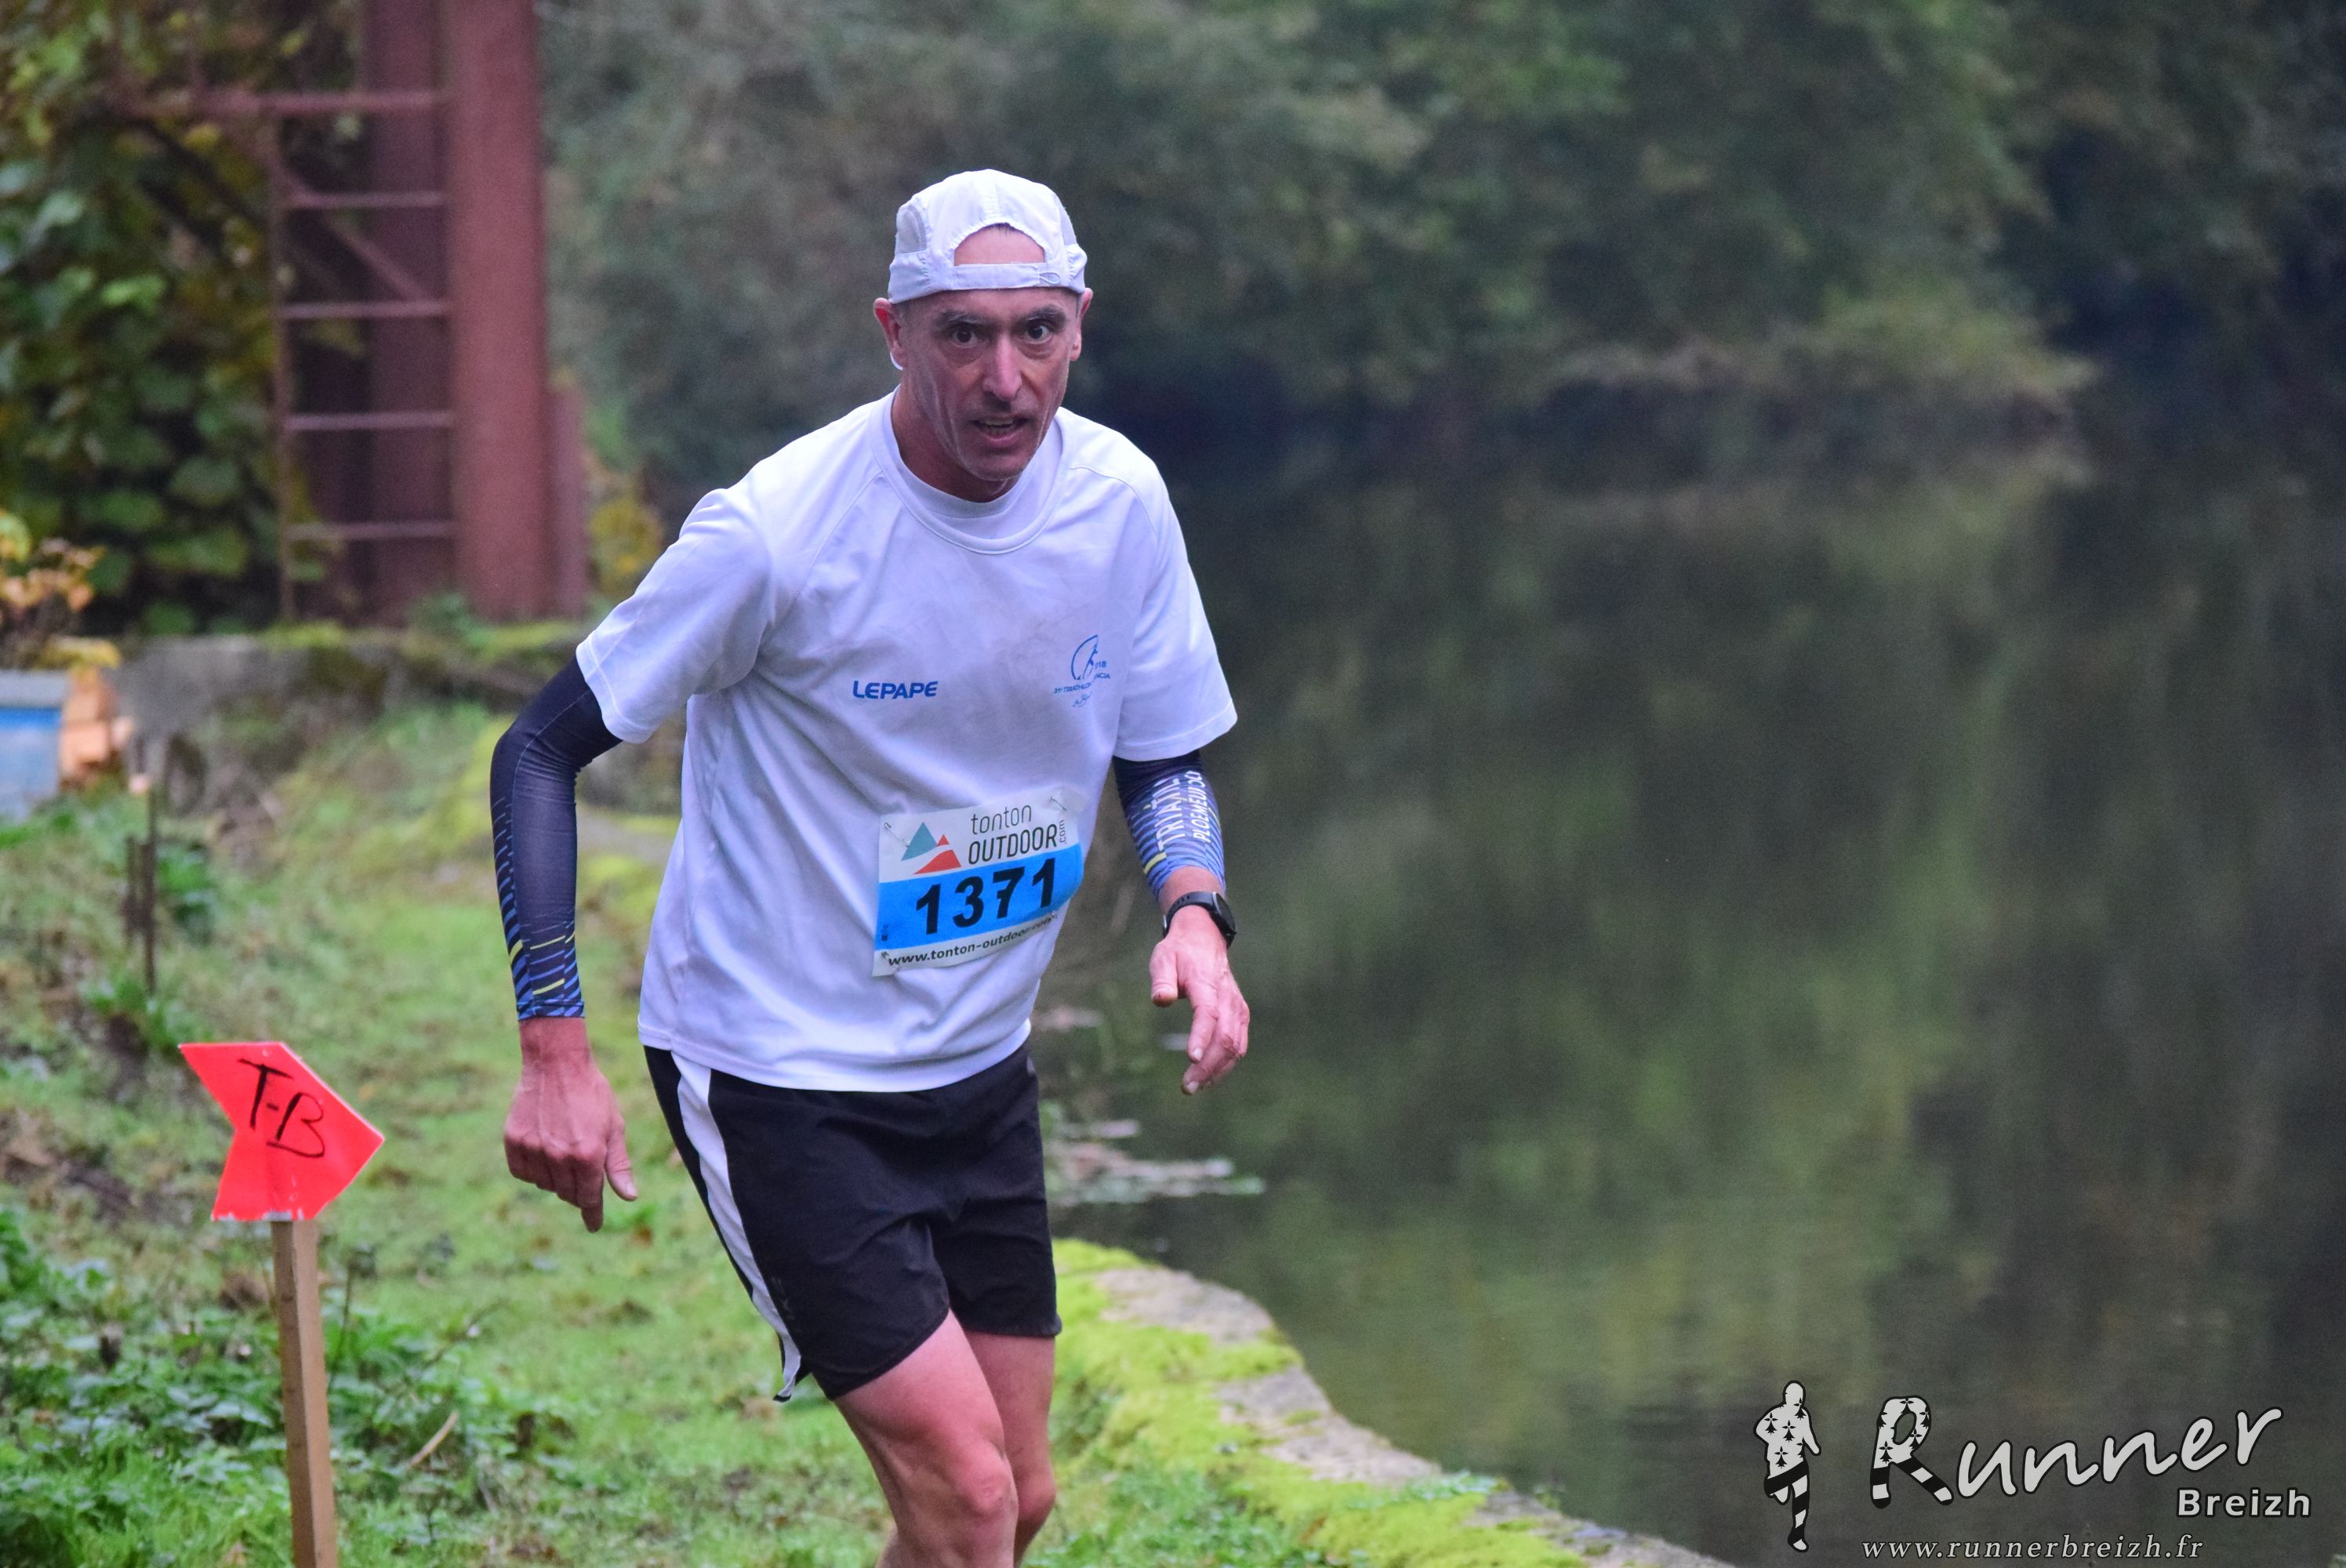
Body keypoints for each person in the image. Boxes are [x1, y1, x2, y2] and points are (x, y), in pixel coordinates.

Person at [486, 169, 1249, 1567]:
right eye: (964, 334)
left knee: (1014, 1499)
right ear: (894, 331)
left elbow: (1164, 752)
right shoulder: (775, 534)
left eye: (1036, 331)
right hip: (782, 1070)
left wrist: (1195, 911)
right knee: (966, 1502)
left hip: (977, 1063)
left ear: (1080, 325)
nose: (1005, 377)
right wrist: (554, 1049)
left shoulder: (1120, 502)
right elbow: (537, 751)